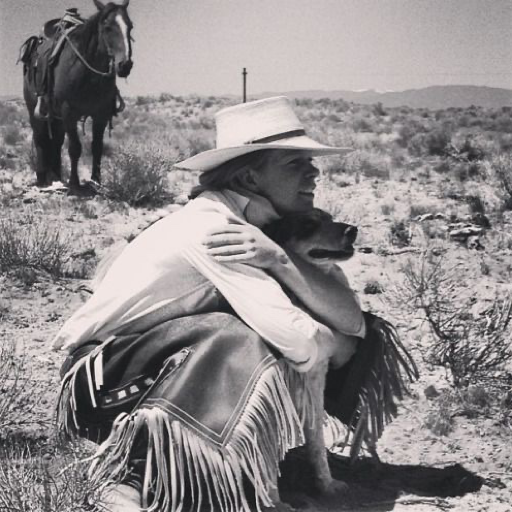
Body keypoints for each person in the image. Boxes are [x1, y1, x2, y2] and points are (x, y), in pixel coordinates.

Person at [52, 96, 366, 512]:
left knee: (276, 317)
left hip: (145, 367)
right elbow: (303, 343)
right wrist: (341, 346)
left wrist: (278, 260)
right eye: (294, 163)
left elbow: (356, 322)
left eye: (310, 161)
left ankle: (229, 464)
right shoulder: (215, 230)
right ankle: (133, 474)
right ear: (252, 179)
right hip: (101, 389)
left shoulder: (255, 232)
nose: (314, 172)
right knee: (237, 335)